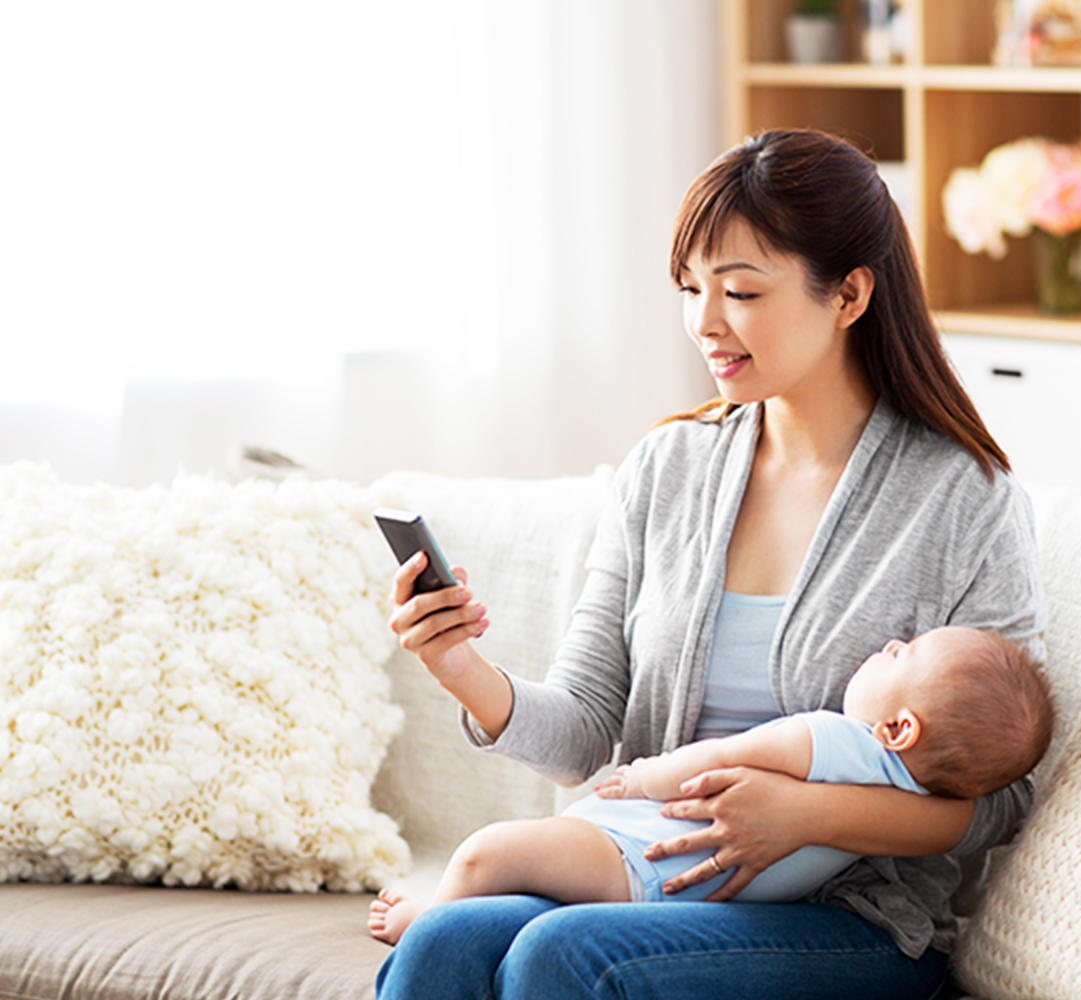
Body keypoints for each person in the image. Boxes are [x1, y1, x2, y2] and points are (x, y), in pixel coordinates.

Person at [374, 127, 1047, 1000]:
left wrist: (805, 813)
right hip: (656, 874)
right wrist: (458, 665)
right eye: (691, 289)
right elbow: (585, 727)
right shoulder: (667, 470)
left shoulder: (962, 498)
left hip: (852, 922)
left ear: (848, 295)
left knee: (562, 955)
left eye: (740, 291)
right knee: (446, 943)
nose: (705, 322)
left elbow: (999, 797)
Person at [369, 625, 1052, 944]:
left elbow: (720, 755)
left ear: (899, 729)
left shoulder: (833, 737)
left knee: (489, 855)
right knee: (489, 918)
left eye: (902, 653)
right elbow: (581, 718)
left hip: (642, 858)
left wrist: (643, 776)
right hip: (682, 888)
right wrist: (461, 668)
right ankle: (440, 926)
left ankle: (421, 920)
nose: (890, 644)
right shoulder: (915, 789)